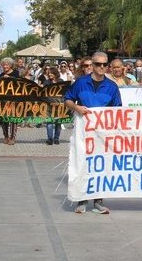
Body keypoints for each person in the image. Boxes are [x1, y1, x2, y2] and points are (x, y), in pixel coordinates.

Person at [64, 51, 121, 215]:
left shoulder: (112, 87)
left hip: (102, 135)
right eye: (98, 64)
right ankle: (82, 200)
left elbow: (117, 110)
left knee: (100, 166)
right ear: (92, 65)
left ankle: (98, 201)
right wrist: (76, 107)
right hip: (83, 133)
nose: (101, 67)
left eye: (105, 64)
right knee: (82, 164)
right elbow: (67, 99)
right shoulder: (80, 83)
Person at [0, 57, 20, 145]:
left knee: (13, 119)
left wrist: (9, 77)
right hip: (3, 101)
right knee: (4, 119)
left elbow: (18, 83)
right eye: (3, 65)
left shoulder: (16, 73)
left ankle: (12, 137)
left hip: (14, 100)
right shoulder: (1, 75)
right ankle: (6, 136)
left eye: (7, 64)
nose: (5, 66)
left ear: (11, 65)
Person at [42, 66, 62, 145]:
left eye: (51, 73)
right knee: (49, 122)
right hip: (49, 105)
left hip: (59, 105)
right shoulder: (46, 82)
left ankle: (56, 138)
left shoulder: (61, 81)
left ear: (55, 74)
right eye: (49, 73)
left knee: (58, 123)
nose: (50, 74)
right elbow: (44, 92)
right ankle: (50, 139)